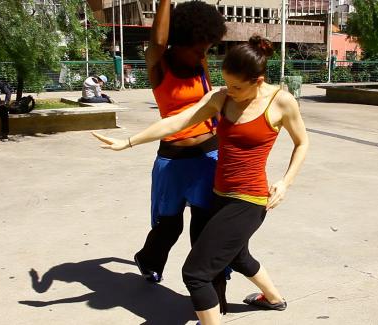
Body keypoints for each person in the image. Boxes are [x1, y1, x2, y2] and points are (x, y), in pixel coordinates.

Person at [92, 35, 309, 325]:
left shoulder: (281, 102)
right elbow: (178, 121)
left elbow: (302, 143)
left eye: (237, 87)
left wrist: (285, 182)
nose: (229, 91)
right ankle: (274, 299)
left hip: (249, 200)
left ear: (258, 81)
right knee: (237, 255)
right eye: (226, 83)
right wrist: (129, 141)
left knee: (195, 274)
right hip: (218, 194)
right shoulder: (221, 98)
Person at [131, 0, 227, 290]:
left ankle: (210, 293)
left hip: (208, 155)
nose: (204, 52)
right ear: (180, 40)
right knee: (169, 225)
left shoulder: (200, 64)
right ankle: (148, 260)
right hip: (173, 160)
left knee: (205, 226)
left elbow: (213, 104)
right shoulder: (159, 64)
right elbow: (158, 41)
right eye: (199, 47)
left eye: (208, 47)